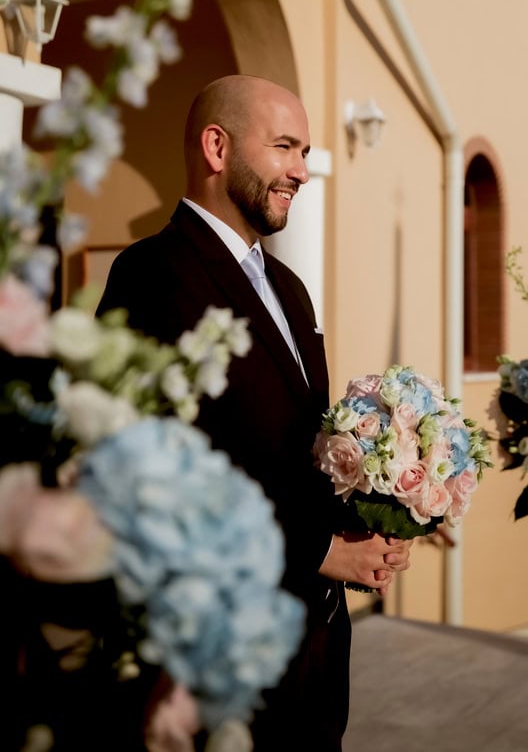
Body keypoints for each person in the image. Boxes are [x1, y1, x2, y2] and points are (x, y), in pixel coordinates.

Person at [96, 74, 412, 751]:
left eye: (305, 151)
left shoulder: (292, 290)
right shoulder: (151, 275)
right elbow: (154, 481)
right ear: (217, 146)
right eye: (286, 148)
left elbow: (298, 447)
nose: (302, 170)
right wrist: (320, 551)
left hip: (316, 651)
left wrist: (376, 520)